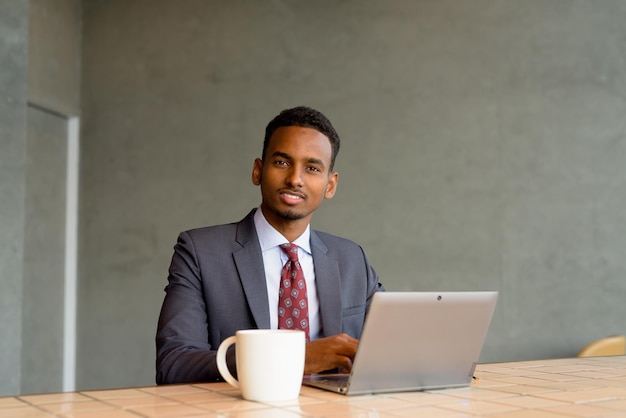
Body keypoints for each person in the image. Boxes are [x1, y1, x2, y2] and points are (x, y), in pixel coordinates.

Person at [156, 106, 384, 384]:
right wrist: (295, 358)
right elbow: (174, 364)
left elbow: (395, 350)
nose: (295, 179)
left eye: (312, 168)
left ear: (330, 185)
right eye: (282, 163)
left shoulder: (352, 259)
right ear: (257, 171)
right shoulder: (199, 252)